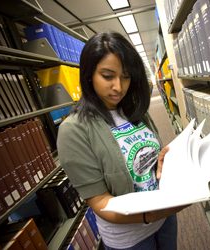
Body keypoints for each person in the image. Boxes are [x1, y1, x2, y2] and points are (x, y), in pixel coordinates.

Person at [57, 31, 187, 250]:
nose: (118, 87)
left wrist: (163, 160)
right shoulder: (73, 131)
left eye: (125, 76)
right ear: (89, 75)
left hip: (165, 221)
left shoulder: (134, 110)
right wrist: (150, 215)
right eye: (108, 76)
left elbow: (147, 157)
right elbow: (99, 202)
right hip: (130, 239)